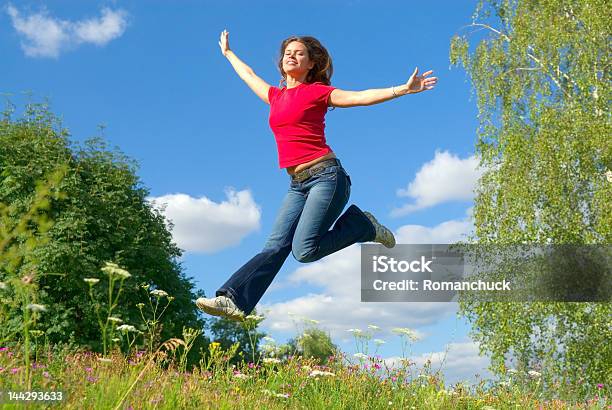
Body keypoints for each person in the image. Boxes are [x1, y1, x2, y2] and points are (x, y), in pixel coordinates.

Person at [196, 30, 437, 320]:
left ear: (311, 64)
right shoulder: (275, 96)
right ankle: (234, 301)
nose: (291, 55)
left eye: (299, 53)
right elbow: (248, 75)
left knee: (304, 250)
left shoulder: (318, 92)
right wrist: (228, 53)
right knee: (275, 246)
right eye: (287, 52)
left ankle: (364, 226)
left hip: (327, 177)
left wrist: (401, 89)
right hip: (297, 185)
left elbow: (359, 97)